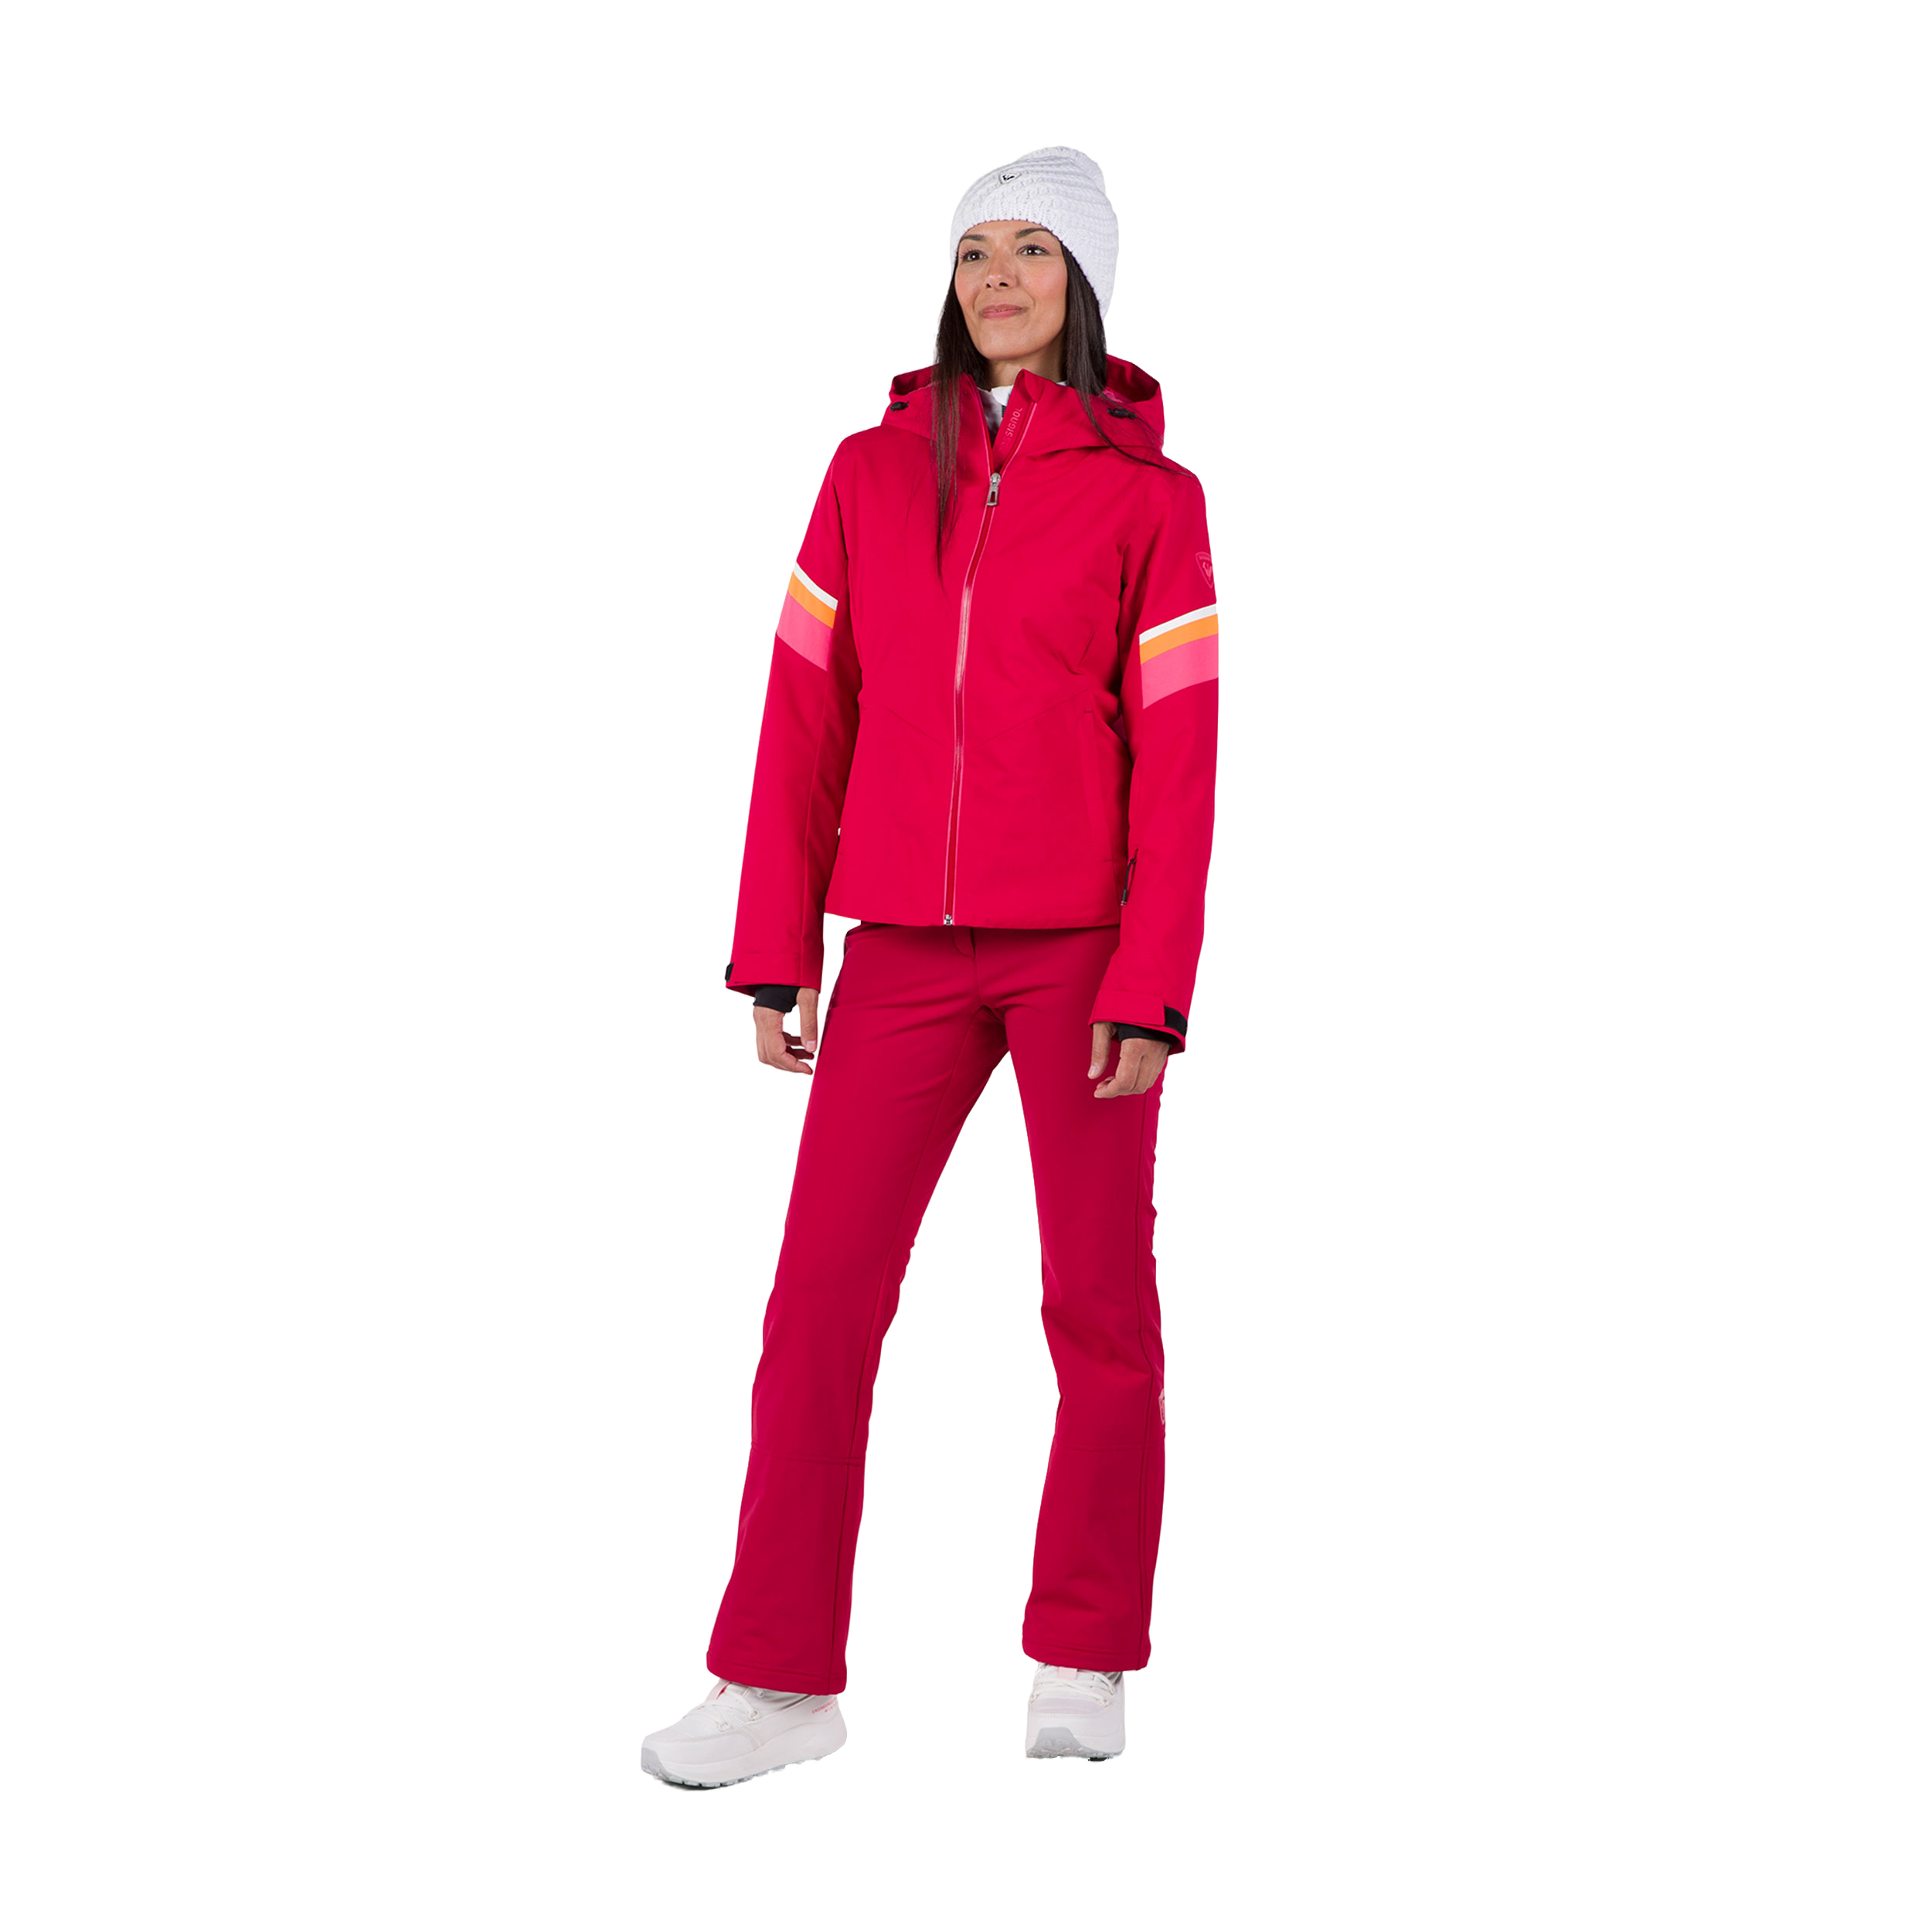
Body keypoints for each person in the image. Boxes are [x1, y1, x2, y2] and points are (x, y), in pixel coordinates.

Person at [638, 141, 1221, 1793]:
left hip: (1080, 951)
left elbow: (1182, 758)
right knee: (814, 1305)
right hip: (890, 942)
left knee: (1095, 1306)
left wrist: (1153, 978)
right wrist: (776, 948)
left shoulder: (1154, 497)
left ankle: (1082, 1649)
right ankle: (776, 1679)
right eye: (975, 252)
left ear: (1084, 285)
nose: (998, 279)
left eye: (1033, 252)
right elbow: (798, 716)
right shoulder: (863, 470)